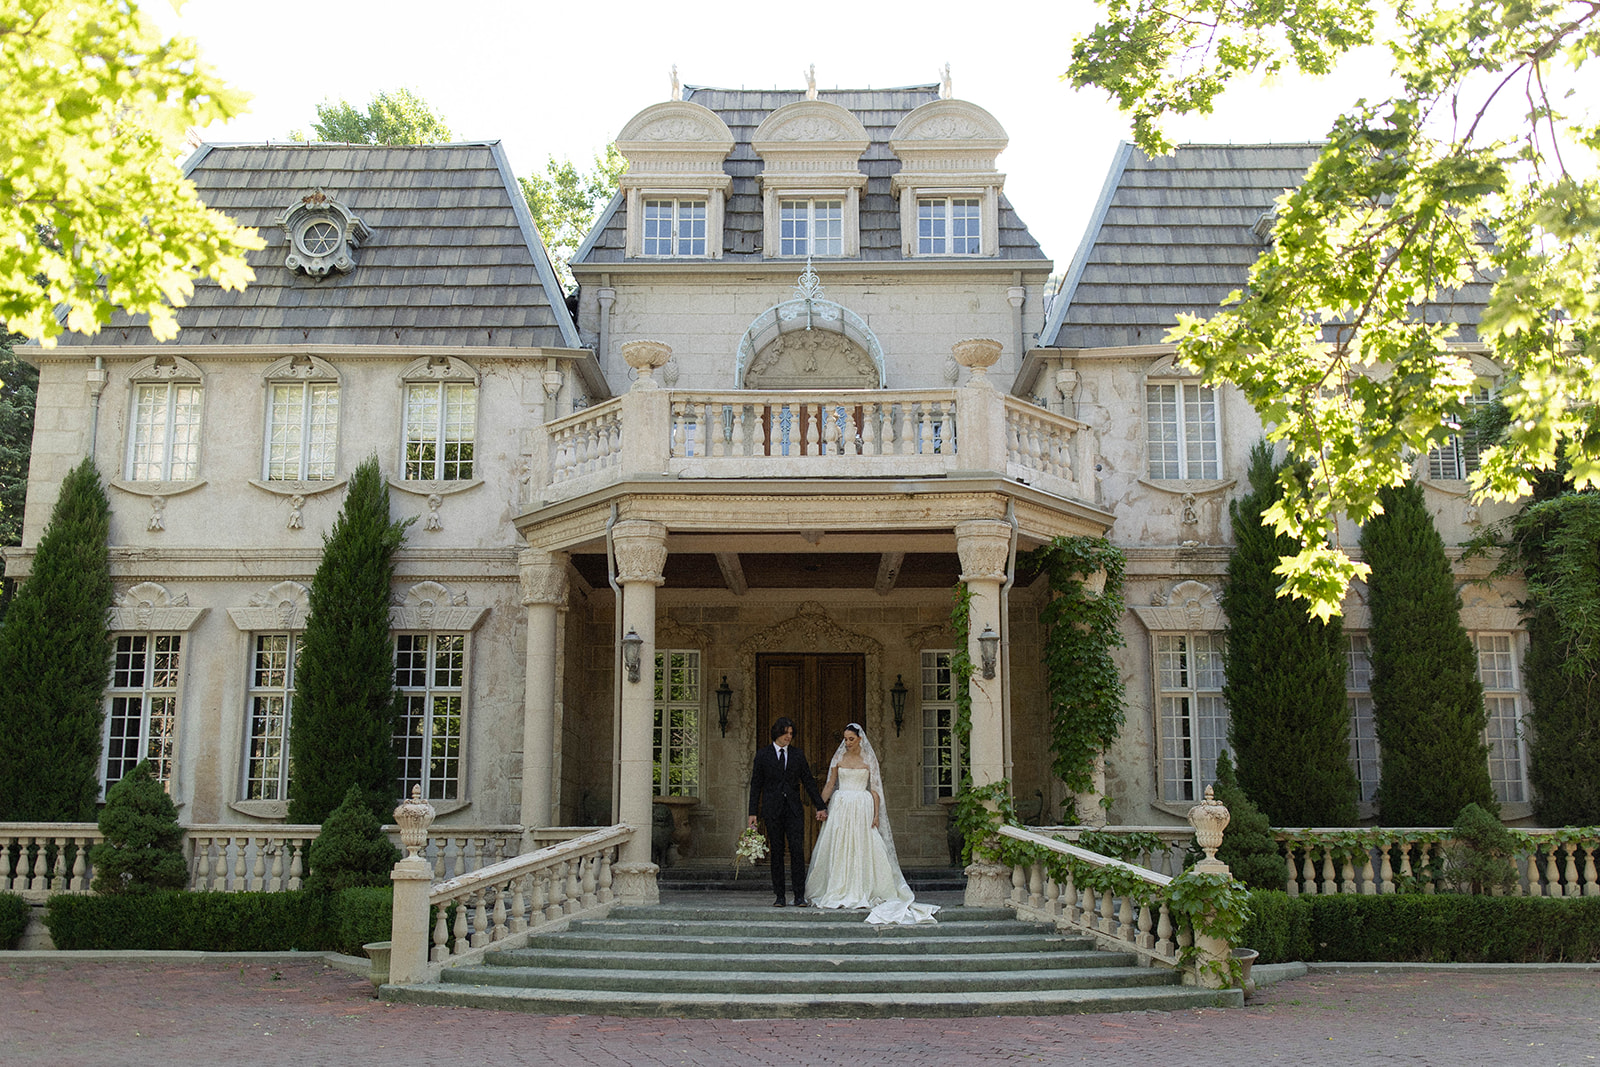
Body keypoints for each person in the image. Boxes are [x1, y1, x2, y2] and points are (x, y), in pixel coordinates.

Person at [806, 722, 938, 925]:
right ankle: (838, 886)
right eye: (845, 739)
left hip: (862, 805)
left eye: (851, 739)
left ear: (860, 739)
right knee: (840, 845)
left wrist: (876, 815)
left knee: (863, 845)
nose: (847, 743)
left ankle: (863, 887)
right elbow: (830, 784)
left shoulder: (868, 760)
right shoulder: (839, 758)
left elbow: (875, 790)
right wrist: (820, 805)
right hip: (841, 806)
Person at [747, 716, 828, 907]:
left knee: (797, 851)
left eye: (791, 733)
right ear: (777, 733)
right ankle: (780, 896)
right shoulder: (763, 755)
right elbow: (755, 785)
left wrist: (820, 805)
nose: (788, 737)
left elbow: (808, 781)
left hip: (793, 810)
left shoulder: (797, 755)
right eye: (785, 733)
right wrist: (753, 813)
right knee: (776, 852)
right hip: (772, 810)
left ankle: (799, 895)